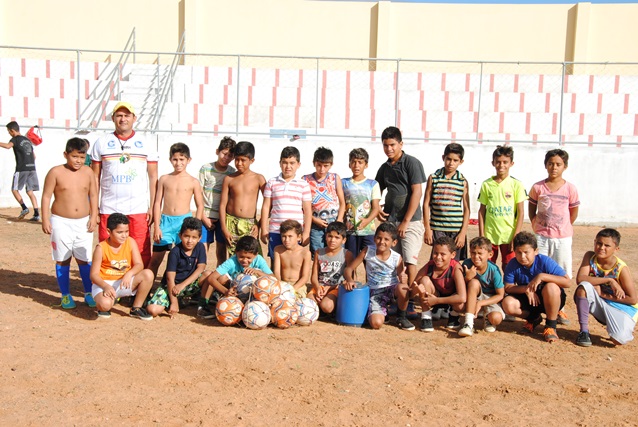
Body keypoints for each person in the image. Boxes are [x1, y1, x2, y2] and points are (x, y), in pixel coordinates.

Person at [90, 102, 159, 267]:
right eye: (119, 115)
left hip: (138, 208)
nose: (123, 119)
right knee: (108, 249)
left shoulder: (146, 142)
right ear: (113, 118)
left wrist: (152, 207)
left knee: (141, 250)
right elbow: (94, 178)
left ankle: (137, 289)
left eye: (127, 115)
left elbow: (153, 177)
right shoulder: (101, 142)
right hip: (109, 207)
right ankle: (110, 287)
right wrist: (94, 209)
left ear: (134, 118)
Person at [40, 137, 98, 309]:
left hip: (83, 222)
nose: (78, 161)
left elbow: (94, 195)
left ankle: (89, 292)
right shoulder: (55, 172)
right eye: (74, 157)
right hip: (60, 222)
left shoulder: (88, 172)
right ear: (66, 155)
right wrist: (45, 218)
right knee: (62, 259)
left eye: (82, 157)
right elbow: (46, 196)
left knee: (84, 259)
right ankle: (65, 295)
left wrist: (94, 216)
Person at [529, 149, 580, 325]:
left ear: (564, 166)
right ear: (546, 165)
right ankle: (537, 309)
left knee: (561, 270)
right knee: (539, 270)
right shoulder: (538, 187)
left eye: (558, 164)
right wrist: (537, 223)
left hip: (562, 238)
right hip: (542, 237)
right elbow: (532, 209)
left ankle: (560, 309)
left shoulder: (570, 189)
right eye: (551, 163)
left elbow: (573, 213)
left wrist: (562, 227)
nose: (554, 167)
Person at [375, 126, 426, 289]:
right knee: (394, 260)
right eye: (385, 145)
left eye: (392, 145)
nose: (389, 149)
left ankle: (409, 299)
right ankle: (396, 296)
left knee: (410, 261)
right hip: (391, 222)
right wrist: (376, 207)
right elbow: (376, 189)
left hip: (411, 222)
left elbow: (417, 192)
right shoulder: (385, 167)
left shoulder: (411, 163)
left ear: (401, 144)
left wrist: (405, 221)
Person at [501, 231, 571, 343]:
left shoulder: (544, 261)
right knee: (508, 304)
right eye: (518, 252)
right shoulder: (512, 264)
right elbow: (508, 287)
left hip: (550, 298)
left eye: (526, 252)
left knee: (551, 287)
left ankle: (550, 326)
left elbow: (567, 282)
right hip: (530, 299)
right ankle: (534, 318)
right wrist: (526, 289)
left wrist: (542, 276)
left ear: (536, 251)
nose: (522, 256)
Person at [148, 142, 204, 278]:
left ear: (188, 160)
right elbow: (157, 203)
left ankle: (181, 290)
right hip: (165, 222)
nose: (178, 163)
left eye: (182, 159)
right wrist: (157, 226)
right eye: (175, 159)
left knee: (184, 260)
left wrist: (196, 226)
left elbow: (200, 205)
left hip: (183, 223)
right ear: (170, 160)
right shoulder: (164, 179)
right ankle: (147, 290)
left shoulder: (193, 181)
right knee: (155, 259)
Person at [573, 229, 637, 347]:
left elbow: (633, 299)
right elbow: (581, 279)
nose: (601, 248)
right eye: (599, 243)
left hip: (621, 308)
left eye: (607, 245)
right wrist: (609, 280)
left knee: (618, 341)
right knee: (583, 288)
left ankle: (619, 327)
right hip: (601, 303)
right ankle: (584, 332)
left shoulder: (621, 269)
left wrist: (602, 294)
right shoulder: (590, 256)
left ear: (616, 249)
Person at [344, 222, 413, 330]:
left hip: (391, 290)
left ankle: (401, 317)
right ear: (374, 238)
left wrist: (404, 279)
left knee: (403, 288)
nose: (382, 242)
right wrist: (350, 280)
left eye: (386, 239)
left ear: (394, 242)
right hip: (374, 292)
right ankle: (381, 312)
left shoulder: (397, 257)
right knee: (376, 324)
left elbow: (401, 277)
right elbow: (349, 269)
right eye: (379, 238)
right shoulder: (367, 251)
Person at [90, 213, 154, 320]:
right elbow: (93, 275)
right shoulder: (101, 248)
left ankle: (136, 308)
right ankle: (103, 304)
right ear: (109, 231)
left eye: (126, 231)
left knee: (148, 274)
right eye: (119, 232)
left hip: (124, 282)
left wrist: (129, 274)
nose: (124, 235)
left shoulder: (130, 242)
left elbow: (139, 265)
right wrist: (106, 287)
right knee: (105, 305)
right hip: (104, 283)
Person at [146, 218, 210, 318]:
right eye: (186, 236)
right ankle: (177, 301)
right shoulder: (174, 252)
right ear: (180, 235)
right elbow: (169, 279)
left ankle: (202, 304)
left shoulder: (200, 247)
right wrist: (174, 302)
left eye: (194, 237)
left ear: (199, 238)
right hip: (171, 287)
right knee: (153, 310)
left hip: (186, 285)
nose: (190, 241)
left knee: (208, 275)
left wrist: (182, 285)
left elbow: (201, 268)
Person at [197, 235, 272, 319]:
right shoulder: (232, 261)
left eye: (248, 258)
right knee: (220, 278)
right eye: (241, 257)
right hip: (233, 291)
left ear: (256, 255)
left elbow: (273, 278)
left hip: (252, 292)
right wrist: (225, 291)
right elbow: (211, 278)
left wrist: (258, 272)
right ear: (236, 252)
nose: (244, 260)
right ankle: (203, 305)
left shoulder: (259, 260)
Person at [478, 145, 527, 271]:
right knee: (487, 265)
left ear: (511, 163)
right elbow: (482, 211)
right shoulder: (487, 184)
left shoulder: (516, 184)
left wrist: (515, 235)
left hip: (508, 235)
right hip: (490, 234)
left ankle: (509, 289)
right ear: (493, 163)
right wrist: (482, 235)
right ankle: (489, 289)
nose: (501, 165)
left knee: (509, 265)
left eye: (505, 162)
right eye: (498, 162)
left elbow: (521, 212)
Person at [260, 146, 312, 263]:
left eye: (292, 163)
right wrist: (264, 229)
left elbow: (308, 211)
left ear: (298, 164)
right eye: (285, 163)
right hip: (275, 230)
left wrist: (306, 232)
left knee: (294, 262)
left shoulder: (303, 185)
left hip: (295, 232)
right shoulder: (272, 182)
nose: (288, 166)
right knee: (275, 260)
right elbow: (266, 206)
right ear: (280, 163)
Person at [423, 142, 469, 261]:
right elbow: (426, 203)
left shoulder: (462, 181)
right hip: (438, 228)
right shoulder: (434, 178)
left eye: (455, 160)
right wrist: (427, 229)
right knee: (438, 260)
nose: (451, 163)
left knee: (455, 263)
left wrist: (463, 233)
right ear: (443, 158)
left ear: (461, 162)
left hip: (456, 230)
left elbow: (467, 209)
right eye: (449, 159)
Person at [219, 141, 266, 256]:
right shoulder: (229, 179)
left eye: (243, 160)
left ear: (252, 160)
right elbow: (222, 205)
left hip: (250, 225)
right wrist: (224, 229)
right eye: (237, 159)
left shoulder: (259, 179)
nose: (239, 163)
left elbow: (269, 204)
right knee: (235, 258)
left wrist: (259, 225)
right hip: (231, 223)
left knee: (253, 257)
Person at [412, 236, 466, 332]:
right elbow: (413, 288)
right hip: (435, 295)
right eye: (435, 253)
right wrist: (418, 290)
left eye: (442, 254)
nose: (438, 257)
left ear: (453, 255)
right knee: (424, 280)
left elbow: (462, 297)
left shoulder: (456, 268)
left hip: (450, 299)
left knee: (460, 304)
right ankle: (426, 317)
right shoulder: (430, 265)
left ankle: (454, 315)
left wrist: (436, 300)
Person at [457, 237, 505, 337]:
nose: (476, 256)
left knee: (496, 318)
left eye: (480, 253)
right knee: (473, 283)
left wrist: (481, 303)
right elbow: (459, 286)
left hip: (489, 298)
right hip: (473, 294)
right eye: (473, 253)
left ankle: (487, 317)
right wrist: (467, 278)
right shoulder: (467, 264)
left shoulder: (494, 270)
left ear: (490, 254)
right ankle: (468, 324)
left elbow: (500, 295)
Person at [199, 136, 236, 265]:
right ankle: (199, 279)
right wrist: (203, 217)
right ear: (217, 151)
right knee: (202, 251)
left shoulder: (232, 172)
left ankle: (219, 279)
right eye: (224, 153)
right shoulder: (206, 169)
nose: (226, 158)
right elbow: (198, 194)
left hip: (223, 219)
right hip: (205, 217)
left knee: (221, 251)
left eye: (230, 156)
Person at [302, 147, 345, 255]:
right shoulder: (305, 180)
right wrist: (314, 220)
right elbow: (302, 207)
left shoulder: (335, 178)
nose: (322, 169)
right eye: (319, 165)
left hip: (334, 223)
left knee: (336, 253)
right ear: (314, 163)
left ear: (331, 164)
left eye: (325, 166)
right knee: (318, 254)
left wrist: (339, 220)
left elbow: (342, 202)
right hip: (316, 225)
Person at [342, 148, 381, 257]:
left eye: (360, 162)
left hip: (368, 231)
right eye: (353, 162)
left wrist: (367, 220)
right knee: (350, 262)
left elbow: (376, 208)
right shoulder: (343, 183)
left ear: (366, 165)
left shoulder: (373, 184)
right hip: (350, 231)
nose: (356, 165)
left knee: (370, 262)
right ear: (349, 164)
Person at [309, 221, 353, 314]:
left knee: (327, 307)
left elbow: (350, 279)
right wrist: (317, 288)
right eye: (330, 236)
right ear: (326, 237)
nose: (332, 240)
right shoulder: (318, 253)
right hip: (320, 287)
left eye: (337, 237)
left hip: (336, 288)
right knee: (308, 305)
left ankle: (330, 309)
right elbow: (314, 276)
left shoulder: (347, 254)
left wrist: (330, 288)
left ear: (344, 240)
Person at [0, 121, 40, 221]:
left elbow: (8, 146)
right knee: (30, 191)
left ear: (12, 131)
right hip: (32, 168)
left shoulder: (15, 139)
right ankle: (36, 214)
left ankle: (24, 208)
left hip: (22, 169)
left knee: (14, 189)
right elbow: (34, 156)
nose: (9, 133)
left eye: (9, 131)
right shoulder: (27, 140)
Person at [273, 220, 312, 298]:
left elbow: (305, 277)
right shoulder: (278, 250)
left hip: (298, 286)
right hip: (282, 283)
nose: (286, 240)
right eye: (284, 236)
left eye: (290, 236)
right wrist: (281, 286)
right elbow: (277, 271)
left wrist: (293, 289)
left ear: (299, 237)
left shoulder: (305, 253)